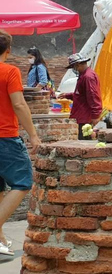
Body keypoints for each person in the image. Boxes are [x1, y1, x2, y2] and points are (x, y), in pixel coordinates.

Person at [0, 30, 41, 256]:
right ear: (8, 50)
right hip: (5, 137)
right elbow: (19, 104)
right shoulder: (10, 71)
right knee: (23, 181)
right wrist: (33, 134)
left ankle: (0, 240)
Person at [59, 53, 103, 140]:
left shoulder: (88, 77)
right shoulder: (83, 75)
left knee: (85, 142)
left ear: (78, 65)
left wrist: (95, 115)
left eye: (74, 67)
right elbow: (81, 94)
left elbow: (93, 96)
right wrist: (67, 95)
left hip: (86, 116)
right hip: (83, 115)